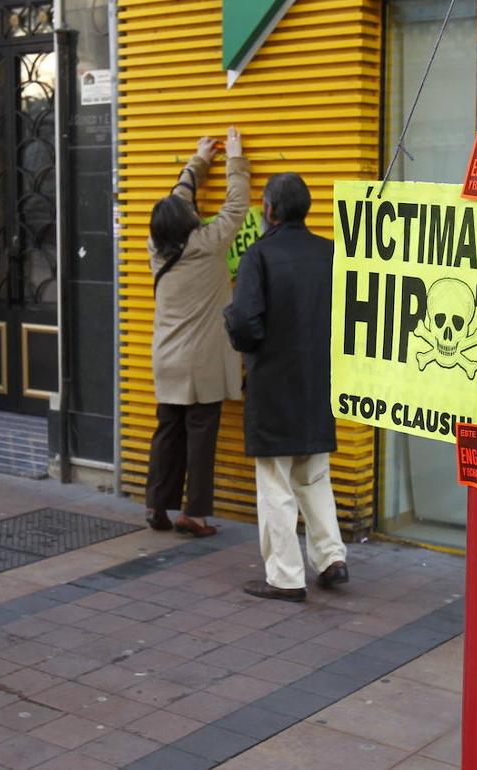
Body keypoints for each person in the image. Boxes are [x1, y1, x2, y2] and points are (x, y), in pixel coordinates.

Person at [224, 172, 347, 603]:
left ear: (270, 210)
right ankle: (331, 558)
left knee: (275, 482)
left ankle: (286, 577)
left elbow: (244, 321)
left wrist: (240, 336)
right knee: (313, 475)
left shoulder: (260, 256)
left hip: (274, 383)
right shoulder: (329, 253)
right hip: (318, 381)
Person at [145, 127, 250, 538]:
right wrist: (234, 159)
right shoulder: (208, 243)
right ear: (189, 223)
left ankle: (157, 504)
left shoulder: (157, 248)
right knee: (201, 436)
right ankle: (195, 514)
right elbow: (236, 206)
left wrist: (197, 162)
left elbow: (177, 203)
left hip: (166, 359)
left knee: (167, 432)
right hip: (202, 361)